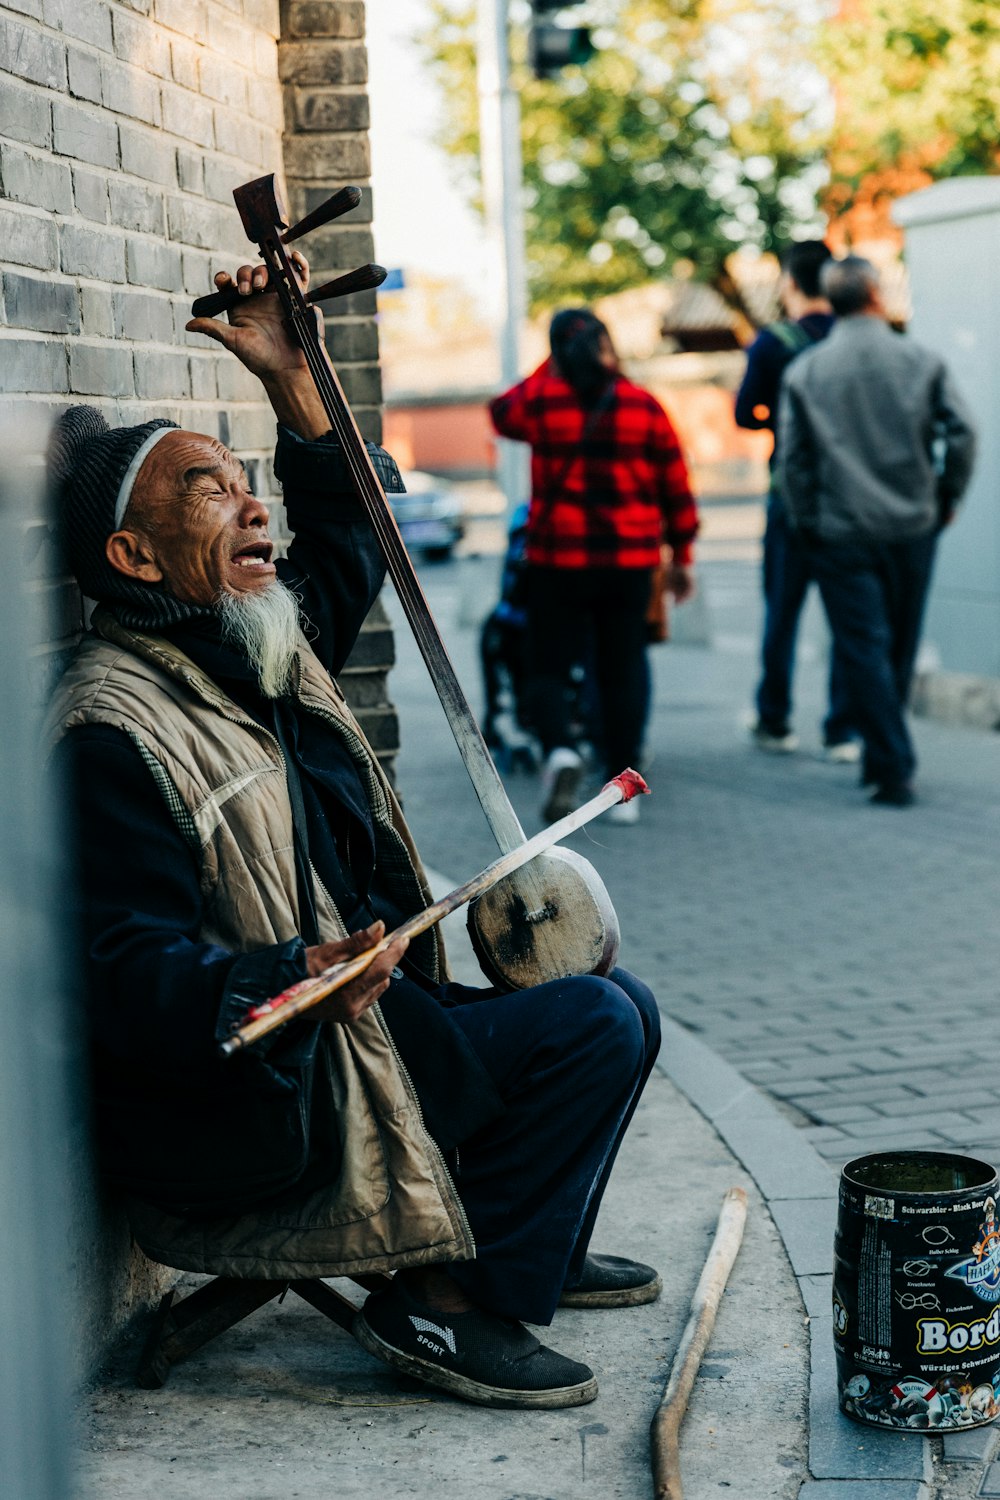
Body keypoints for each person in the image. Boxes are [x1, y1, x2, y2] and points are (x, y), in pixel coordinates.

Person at [46, 254, 663, 1412]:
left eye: (243, 481)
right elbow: (121, 973)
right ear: (130, 558)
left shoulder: (255, 648)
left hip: (366, 1037)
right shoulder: (110, 728)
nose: (252, 505)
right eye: (209, 491)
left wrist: (294, 381)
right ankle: (444, 1301)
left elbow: (344, 534)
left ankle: (520, 1242)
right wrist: (291, 982)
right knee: (586, 1029)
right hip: (273, 1093)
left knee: (621, 1000)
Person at [778, 255, 977, 806]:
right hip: (913, 523)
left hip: (840, 530)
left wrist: (808, 519)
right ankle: (891, 761)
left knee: (862, 646)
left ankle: (885, 759)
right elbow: (963, 434)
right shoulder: (920, 359)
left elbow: (792, 462)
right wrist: (946, 495)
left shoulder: (807, 371)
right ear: (875, 295)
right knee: (900, 643)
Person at [489, 309, 699, 827]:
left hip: (558, 563)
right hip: (629, 564)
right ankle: (621, 786)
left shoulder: (540, 402)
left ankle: (560, 749)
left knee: (547, 667)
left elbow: (500, 412)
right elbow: (676, 489)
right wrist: (683, 557)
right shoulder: (643, 405)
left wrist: (553, 362)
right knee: (622, 669)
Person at [735, 239, 857, 759]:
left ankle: (776, 720)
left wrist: (778, 421)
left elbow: (744, 414)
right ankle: (842, 730)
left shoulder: (772, 343)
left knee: (781, 613)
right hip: (846, 497)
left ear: (789, 282)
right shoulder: (853, 340)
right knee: (848, 617)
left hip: (788, 496)